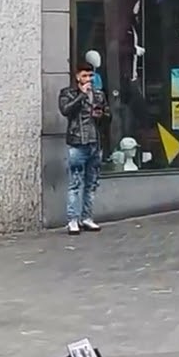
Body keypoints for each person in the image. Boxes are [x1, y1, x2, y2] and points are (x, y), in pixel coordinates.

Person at [58, 63, 109, 234]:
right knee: (75, 183)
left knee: (91, 184)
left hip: (95, 143)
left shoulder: (99, 95)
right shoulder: (68, 93)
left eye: (91, 76)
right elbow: (66, 110)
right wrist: (81, 95)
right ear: (78, 77)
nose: (89, 79)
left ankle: (87, 218)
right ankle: (73, 220)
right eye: (85, 76)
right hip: (78, 143)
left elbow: (108, 116)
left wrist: (102, 115)